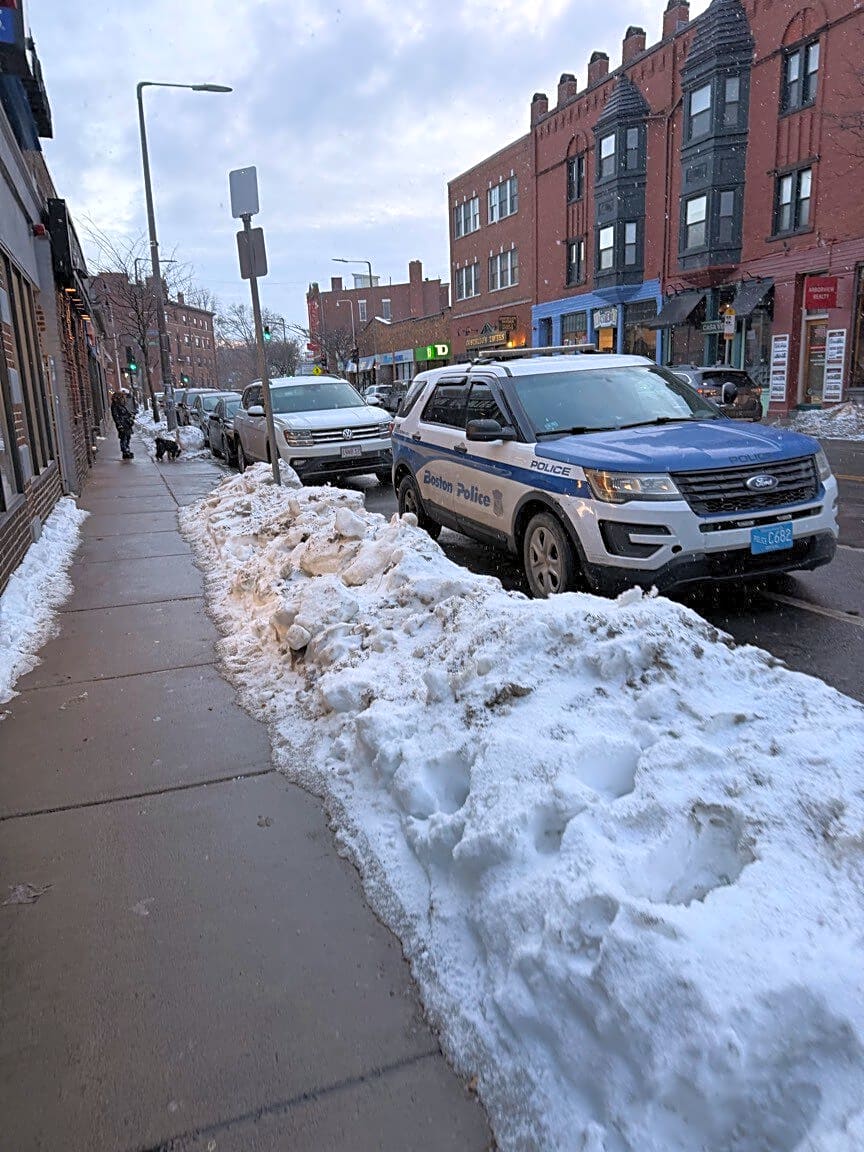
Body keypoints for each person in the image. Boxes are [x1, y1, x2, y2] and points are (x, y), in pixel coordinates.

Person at [110, 388, 136, 459]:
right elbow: (115, 416)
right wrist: (119, 425)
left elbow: (126, 412)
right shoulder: (115, 405)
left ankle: (127, 449)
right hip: (122, 424)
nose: (123, 398)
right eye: (122, 397)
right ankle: (125, 452)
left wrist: (131, 415)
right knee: (123, 438)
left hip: (127, 423)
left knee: (128, 437)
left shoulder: (121, 404)